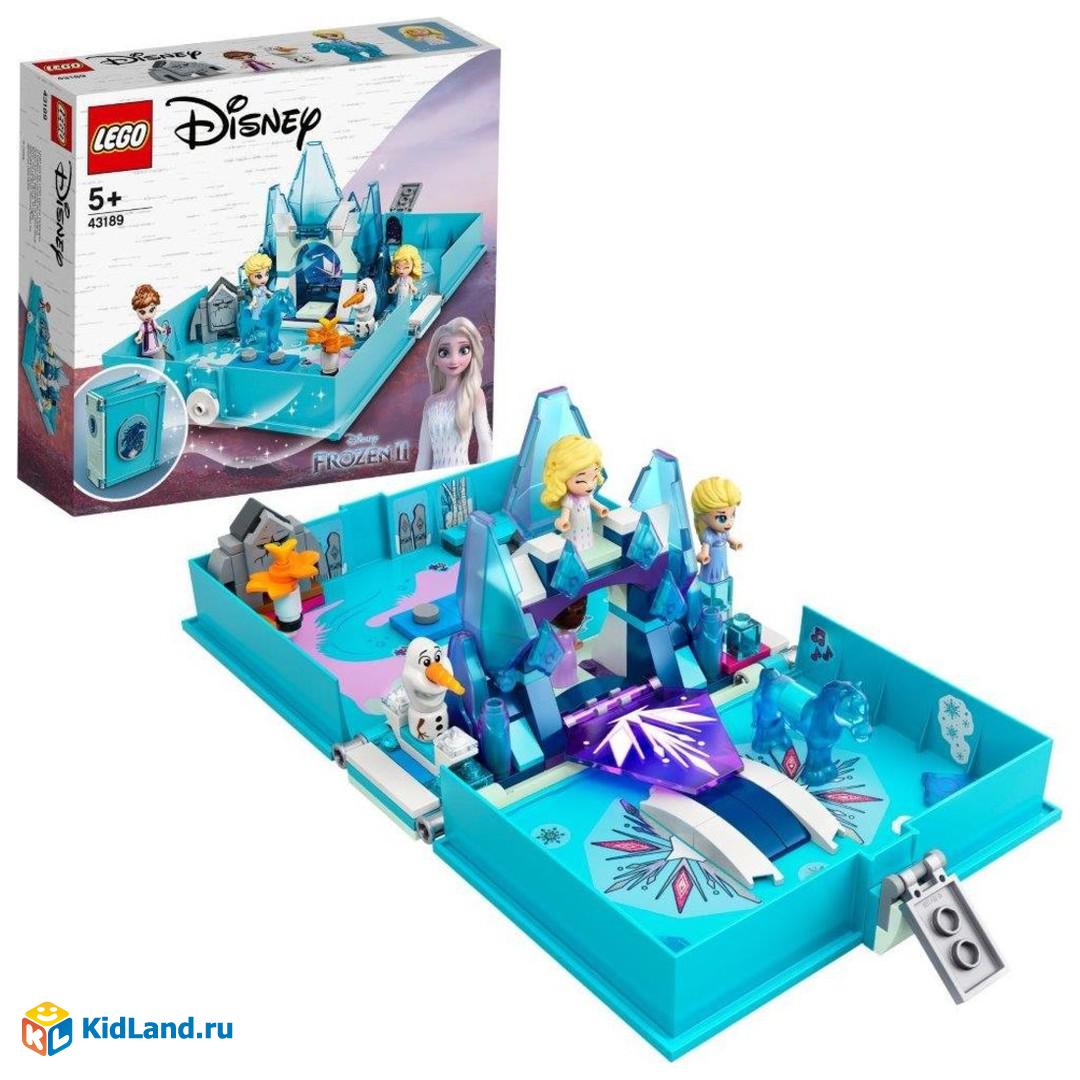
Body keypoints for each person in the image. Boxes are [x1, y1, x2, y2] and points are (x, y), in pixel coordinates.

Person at [414, 317, 492, 470]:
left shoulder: (475, 395)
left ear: (472, 353)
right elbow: (423, 457)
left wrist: (487, 477)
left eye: (463, 350)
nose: (454, 360)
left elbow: (485, 445)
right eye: (444, 352)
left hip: (461, 476)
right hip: (435, 479)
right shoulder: (431, 403)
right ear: (435, 359)